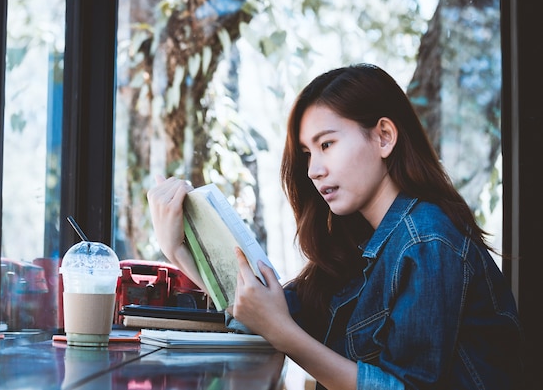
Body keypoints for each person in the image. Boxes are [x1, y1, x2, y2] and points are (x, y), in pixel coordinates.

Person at [146, 63, 524, 389]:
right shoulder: (361, 245)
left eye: (326, 145)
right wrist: (177, 250)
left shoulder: (424, 239)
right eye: (308, 153)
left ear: (384, 137)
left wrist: (284, 334)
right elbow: (260, 312)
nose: (313, 170)